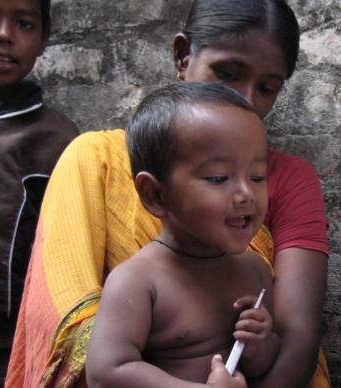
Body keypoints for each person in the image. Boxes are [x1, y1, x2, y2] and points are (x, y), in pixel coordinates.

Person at [5, 1, 330, 387]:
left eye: (266, 88)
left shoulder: (257, 262)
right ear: (182, 56)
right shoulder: (98, 162)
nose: (246, 99)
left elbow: (294, 337)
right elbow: (73, 319)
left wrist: (261, 344)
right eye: (227, 73)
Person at [86, 82, 277, 387]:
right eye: (218, 178)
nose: (246, 194)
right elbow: (106, 373)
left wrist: (260, 344)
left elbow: (261, 366)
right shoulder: (137, 280)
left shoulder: (255, 271)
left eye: (256, 177)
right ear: (156, 196)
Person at [0, 0, 77, 386]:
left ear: (43, 39)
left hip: (2, 349)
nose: (3, 35)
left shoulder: (58, 141)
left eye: (24, 24)